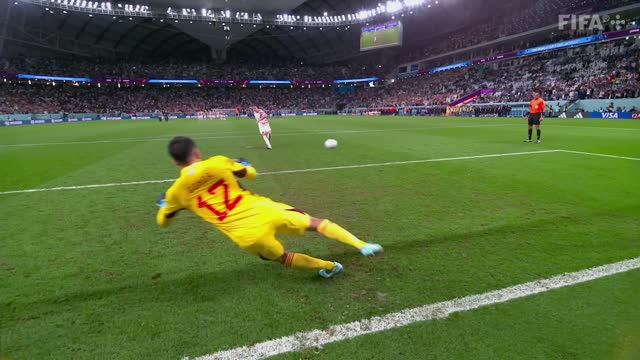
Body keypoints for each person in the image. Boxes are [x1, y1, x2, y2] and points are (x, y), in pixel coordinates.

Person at [156, 136, 383, 278]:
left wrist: (166, 206)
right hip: (263, 209)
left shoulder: (176, 192)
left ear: (176, 162)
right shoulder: (217, 162)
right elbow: (252, 174)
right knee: (314, 223)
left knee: (282, 258)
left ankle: (330, 266)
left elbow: (163, 222)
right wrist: (244, 165)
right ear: (197, 153)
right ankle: (361, 244)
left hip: (246, 235)